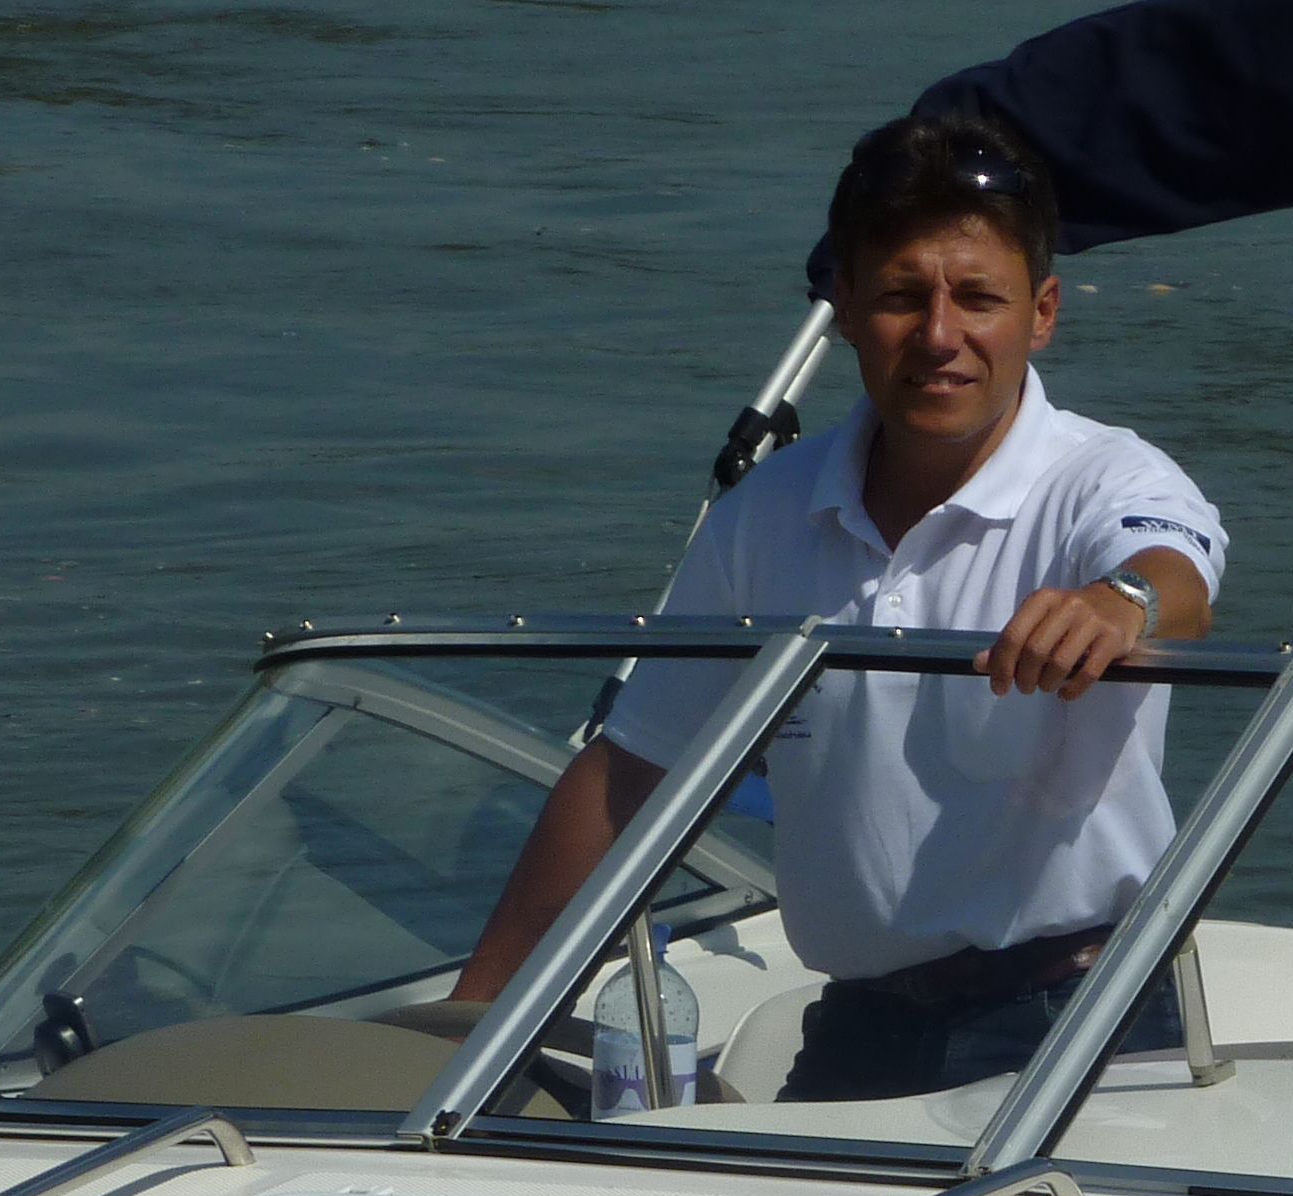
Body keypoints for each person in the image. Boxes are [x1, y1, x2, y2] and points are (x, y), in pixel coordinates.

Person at [447, 116, 1224, 1103]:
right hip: (860, 1027)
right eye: (903, 297)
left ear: (1043, 313)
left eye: (978, 298)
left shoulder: (1106, 480)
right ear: (847, 309)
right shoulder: (762, 515)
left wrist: (1119, 604)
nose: (940, 335)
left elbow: (1177, 579)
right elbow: (632, 773)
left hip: (1082, 1024)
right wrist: (464, 1028)